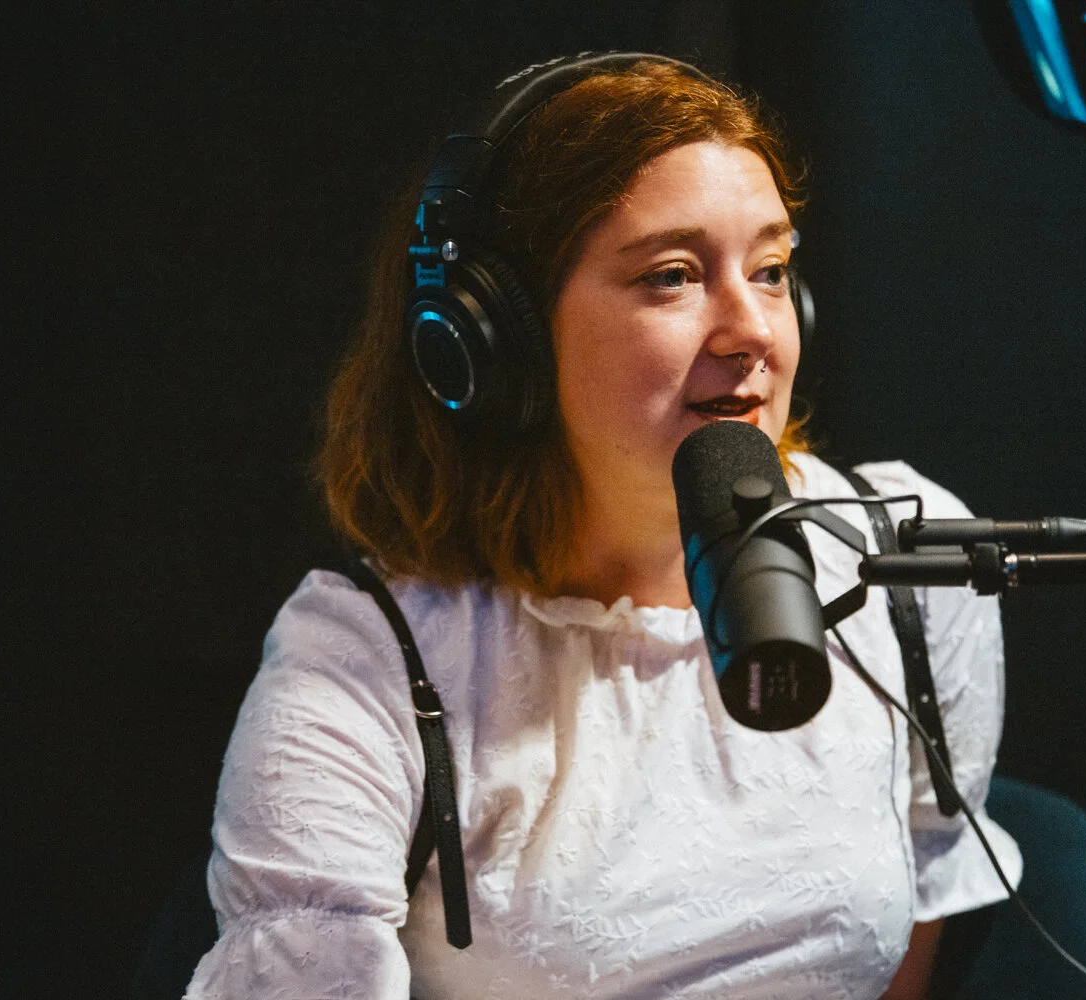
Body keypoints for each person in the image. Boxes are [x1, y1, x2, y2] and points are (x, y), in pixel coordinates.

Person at [184, 53, 1021, 1000]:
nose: (753, 330)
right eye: (672, 276)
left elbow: (914, 921)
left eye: (771, 270)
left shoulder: (902, 566)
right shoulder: (365, 664)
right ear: (496, 340)